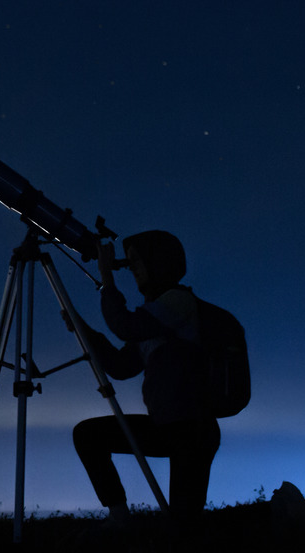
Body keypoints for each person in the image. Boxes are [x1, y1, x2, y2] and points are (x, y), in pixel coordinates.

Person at [73, 230, 220, 541]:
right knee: (88, 435)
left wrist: (106, 280)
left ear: (160, 263)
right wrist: (82, 328)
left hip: (192, 431)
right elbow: (121, 367)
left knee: (184, 529)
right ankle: (119, 518)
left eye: (139, 262)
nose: (133, 269)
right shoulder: (155, 317)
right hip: (165, 427)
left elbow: (127, 326)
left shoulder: (178, 302)